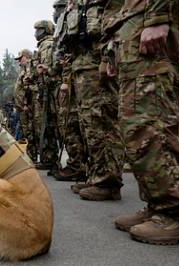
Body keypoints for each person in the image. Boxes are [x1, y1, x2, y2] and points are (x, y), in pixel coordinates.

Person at [105, 0, 179, 244]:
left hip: (149, 27)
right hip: (132, 33)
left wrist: (158, 15)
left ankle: (174, 211)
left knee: (149, 123)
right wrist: (110, 52)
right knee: (138, 124)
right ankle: (157, 203)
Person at [62, 0, 125, 200]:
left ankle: (108, 182)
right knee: (89, 125)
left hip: (97, 64)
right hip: (83, 67)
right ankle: (97, 175)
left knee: (102, 121)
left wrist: (107, 58)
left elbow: (114, 23)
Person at [52, 0, 87, 181]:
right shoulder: (64, 25)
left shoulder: (79, 13)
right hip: (72, 79)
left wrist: (66, 79)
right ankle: (78, 165)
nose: (56, 12)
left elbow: (67, 58)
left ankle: (79, 166)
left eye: (59, 8)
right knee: (73, 124)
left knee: (74, 123)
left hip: (77, 79)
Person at [34, 20, 60, 175]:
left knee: (56, 125)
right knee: (48, 126)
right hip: (46, 90)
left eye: (39, 29)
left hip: (53, 88)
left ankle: (57, 162)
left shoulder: (50, 44)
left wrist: (47, 70)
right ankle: (50, 159)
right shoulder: (42, 46)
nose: (36, 32)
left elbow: (56, 66)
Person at [13, 49, 39, 162]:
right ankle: (30, 155)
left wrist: (25, 104)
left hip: (26, 107)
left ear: (27, 57)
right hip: (21, 108)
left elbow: (28, 89)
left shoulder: (30, 69)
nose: (19, 62)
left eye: (20, 59)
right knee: (25, 132)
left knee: (29, 132)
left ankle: (32, 156)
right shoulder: (23, 71)